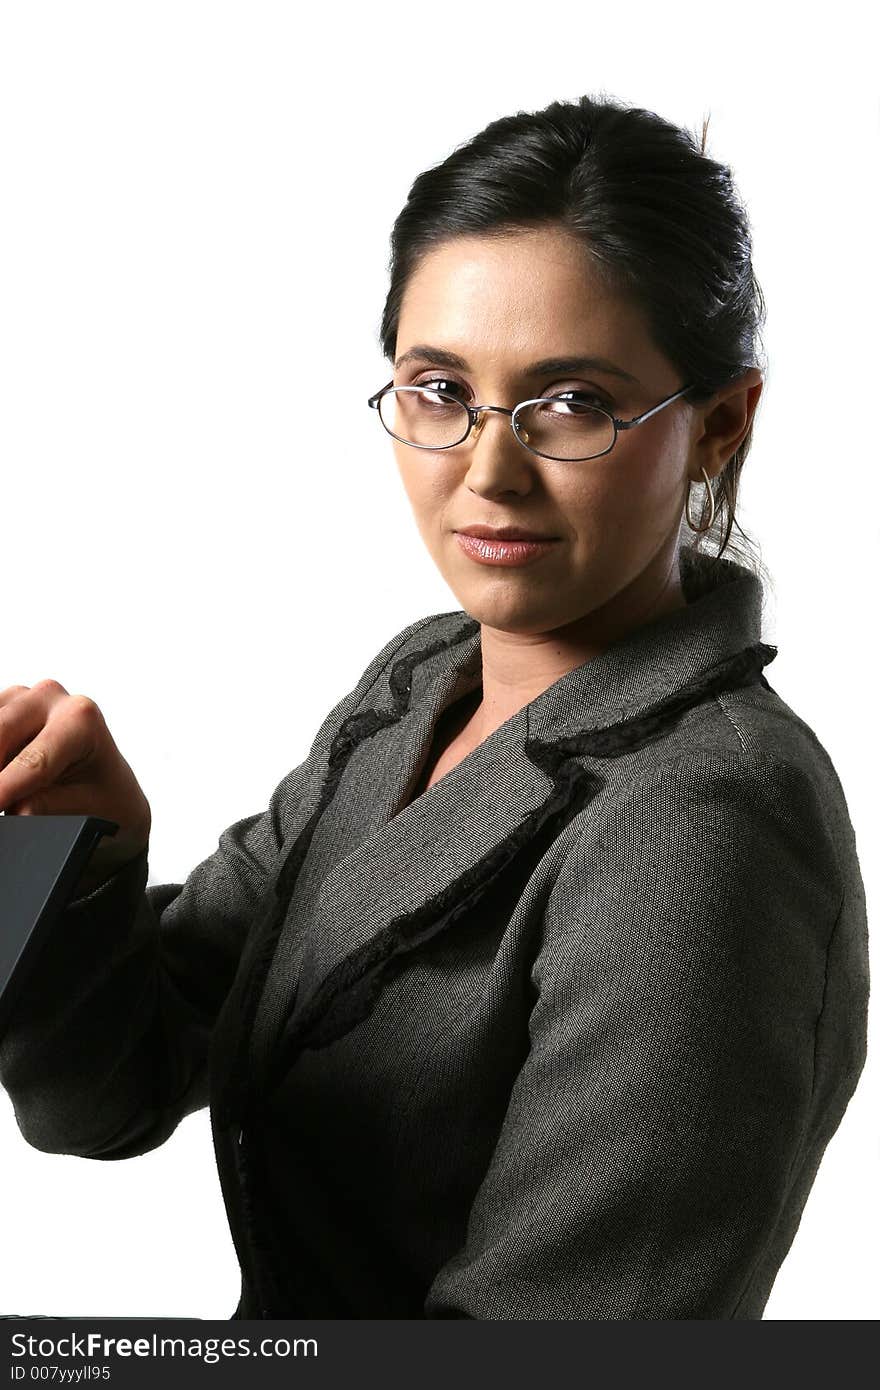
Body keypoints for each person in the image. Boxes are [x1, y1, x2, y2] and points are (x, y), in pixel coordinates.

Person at [0, 92, 869, 1320]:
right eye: (438, 388)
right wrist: (59, 843)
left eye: (570, 401)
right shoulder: (421, 684)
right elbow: (114, 1088)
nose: (488, 469)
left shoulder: (707, 821)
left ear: (718, 423)